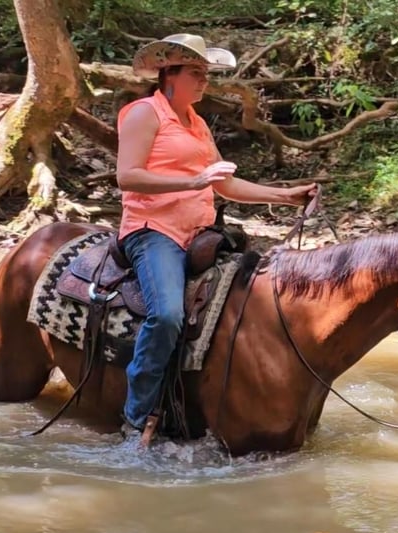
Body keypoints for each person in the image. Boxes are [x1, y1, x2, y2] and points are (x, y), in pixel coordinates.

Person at [116, 33, 317, 448]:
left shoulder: (197, 122)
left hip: (201, 233)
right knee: (168, 314)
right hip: (154, 231)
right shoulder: (143, 113)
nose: (204, 81)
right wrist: (193, 181)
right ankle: (135, 417)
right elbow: (127, 176)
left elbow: (223, 184)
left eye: (207, 73)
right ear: (169, 73)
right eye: (196, 72)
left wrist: (285, 194)